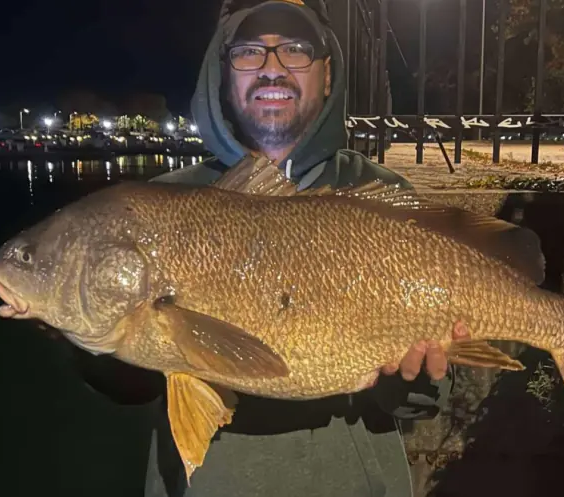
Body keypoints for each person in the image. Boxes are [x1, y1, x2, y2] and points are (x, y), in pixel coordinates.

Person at [74, 1, 469, 496]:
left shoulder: (381, 197)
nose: (272, 67)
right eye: (248, 52)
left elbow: (428, 394)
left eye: (297, 49)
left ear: (328, 75)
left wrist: (413, 381)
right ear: (222, 74)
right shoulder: (163, 203)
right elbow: (135, 386)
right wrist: (89, 336)